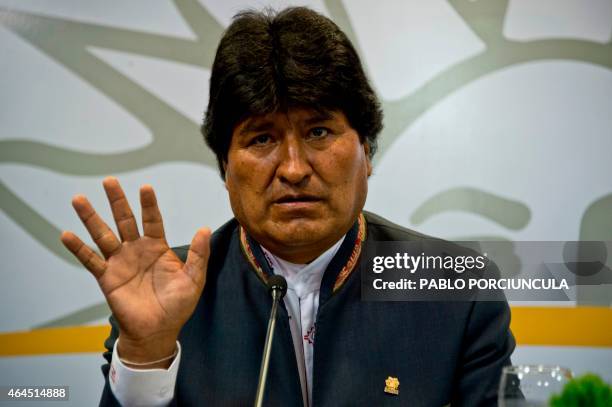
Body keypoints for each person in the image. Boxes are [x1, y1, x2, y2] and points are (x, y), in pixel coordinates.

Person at [60, 7, 514, 406]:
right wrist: (146, 354)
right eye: (262, 138)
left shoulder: (455, 289)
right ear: (225, 168)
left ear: (367, 152)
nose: (294, 168)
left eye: (318, 132)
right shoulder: (167, 298)